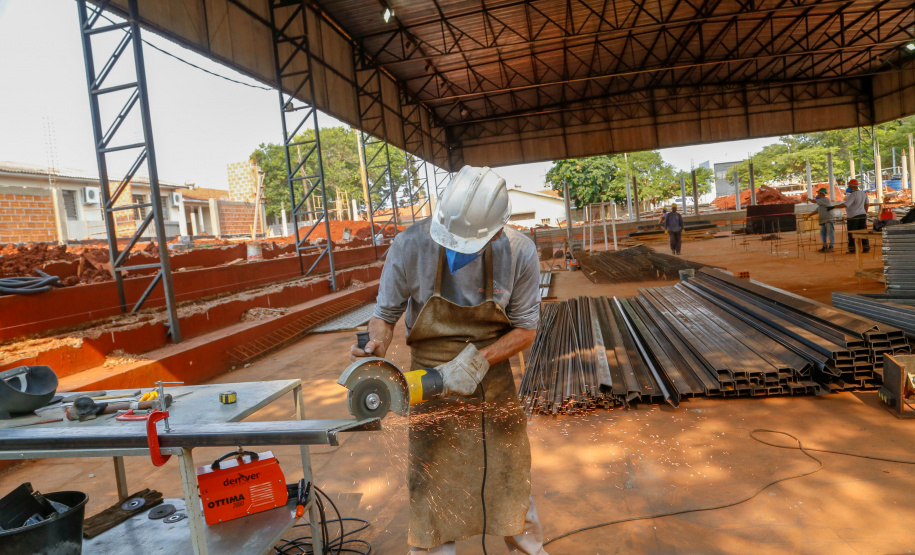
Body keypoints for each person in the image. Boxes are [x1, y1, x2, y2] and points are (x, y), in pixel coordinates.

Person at [351, 165, 548, 555]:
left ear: (495, 228)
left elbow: (526, 329)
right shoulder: (410, 245)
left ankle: (526, 546)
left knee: (509, 472)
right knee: (431, 479)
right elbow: (384, 315)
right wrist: (374, 344)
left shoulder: (519, 251)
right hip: (429, 377)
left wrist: (474, 363)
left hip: (491, 376)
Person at [834, 179, 870, 253]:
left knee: (852, 233)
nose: (849, 187)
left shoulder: (852, 195)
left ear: (852, 186)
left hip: (853, 216)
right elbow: (867, 204)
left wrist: (834, 207)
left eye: (849, 185)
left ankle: (852, 249)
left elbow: (846, 204)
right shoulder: (863, 193)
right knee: (863, 232)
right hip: (862, 215)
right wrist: (864, 212)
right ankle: (866, 248)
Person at [808, 187, 836, 252]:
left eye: (818, 193)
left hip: (828, 219)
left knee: (830, 232)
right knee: (823, 233)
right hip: (824, 220)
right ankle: (824, 246)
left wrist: (808, 199)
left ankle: (831, 246)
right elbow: (817, 210)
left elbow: (814, 201)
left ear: (822, 194)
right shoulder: (821, 203)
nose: (817, 195)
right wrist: (809, 215)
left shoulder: (825, 200)